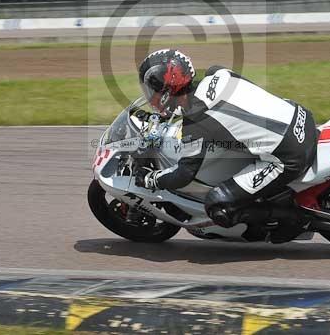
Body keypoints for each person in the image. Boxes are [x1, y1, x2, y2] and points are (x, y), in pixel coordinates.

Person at [134, 48, 319, 243]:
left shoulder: (195, 122)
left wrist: (150, 180)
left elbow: (184, 175)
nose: (150, 96)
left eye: (152, 90)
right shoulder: (218, 73)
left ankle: (296, 220)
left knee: (217, 204)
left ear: (166, 90)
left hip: (289, 155)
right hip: (301, 117)